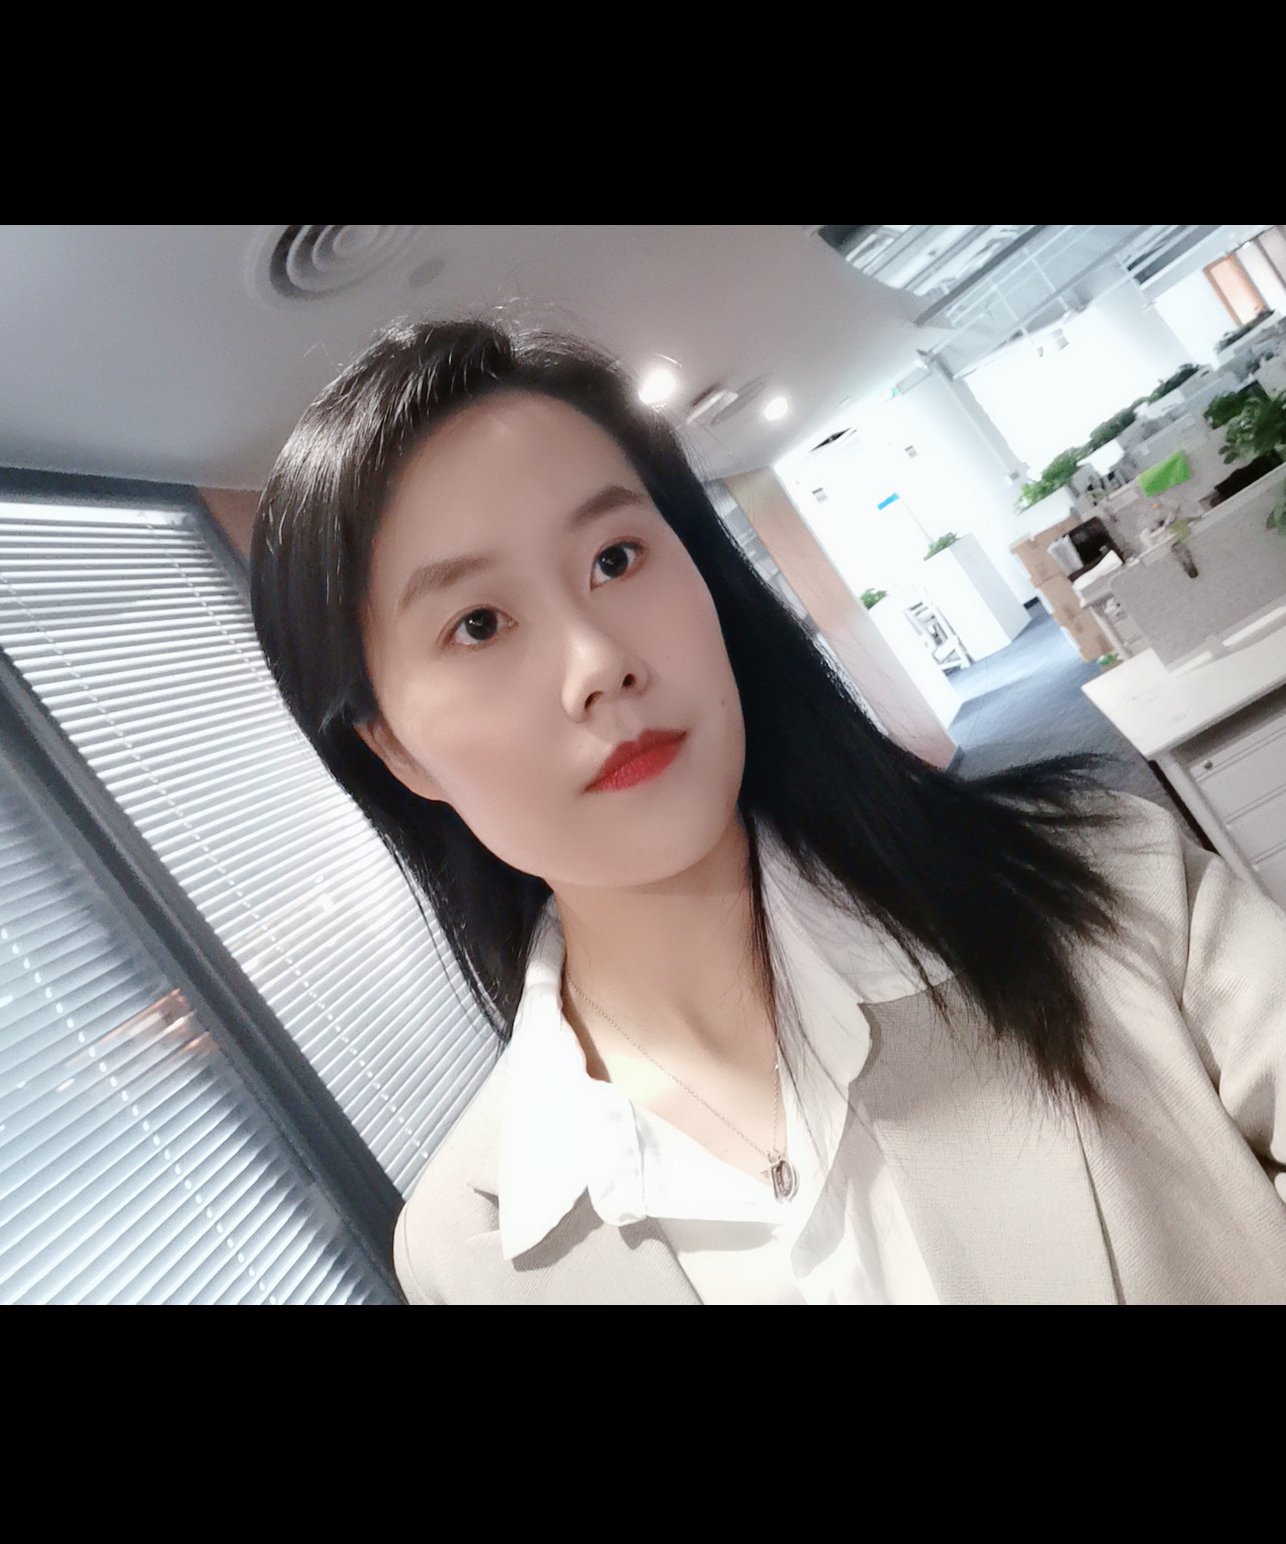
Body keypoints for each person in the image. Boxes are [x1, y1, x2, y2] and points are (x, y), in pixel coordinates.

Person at [250, 314, 1286, 1304]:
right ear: (395, 749)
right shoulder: (468, 1251)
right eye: (478, 623)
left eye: (615, 558)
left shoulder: (1110, 887)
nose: (599, 662)